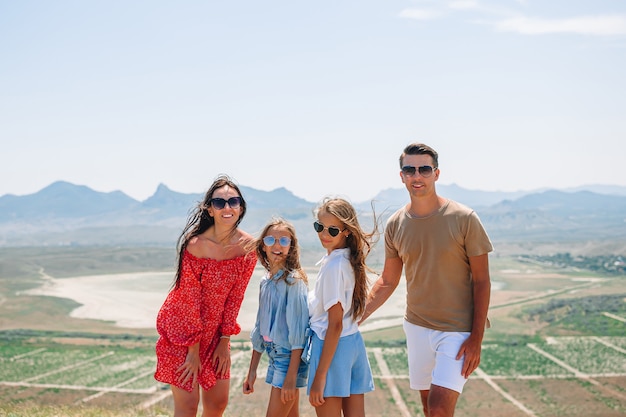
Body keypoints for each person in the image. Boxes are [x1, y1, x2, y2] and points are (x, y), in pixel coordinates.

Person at [359, 143, 493, 417]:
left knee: (438, 409)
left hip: (456, 330)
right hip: (417, 328)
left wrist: (476, 338)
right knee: (427, 408)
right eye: (409, 169)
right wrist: (354, 317)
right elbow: (387, 280)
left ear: (436, 173)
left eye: (424, 169)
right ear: (402, 176)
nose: (416, 175)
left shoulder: (464, 218)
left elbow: (482, 282)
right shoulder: (396, 224)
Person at [154, 174, 257, 417]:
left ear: (241, 206)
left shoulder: (248, 247)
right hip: (183, 331)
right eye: (219, 202)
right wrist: (193, 351)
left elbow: (236, 297)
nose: (227, 207)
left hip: (217, 332)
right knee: (188, 406)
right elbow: (188, 300)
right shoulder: (195, 245)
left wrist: (224, 340)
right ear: (210, 209)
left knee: (217, 404)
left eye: (233, 201)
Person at [307, 197, 376, 417]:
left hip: (332, 348)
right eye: (319, 227)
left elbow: (334, 325)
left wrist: (319, 377)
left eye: (333, 230)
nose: (324, 234)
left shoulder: (334, 266)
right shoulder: (349, 260)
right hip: (353, 343)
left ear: (346, 231)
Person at [243, 218, 310, 417]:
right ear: (263, 246)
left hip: (289, 359)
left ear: (291, 246)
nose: (277, 245)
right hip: (274, 356)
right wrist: (252, 371)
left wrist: (291, 377)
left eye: (284, 241)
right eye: (271, 240)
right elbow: (259, 329)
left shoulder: (293, 282)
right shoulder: (266, 281)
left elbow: (299, 335)